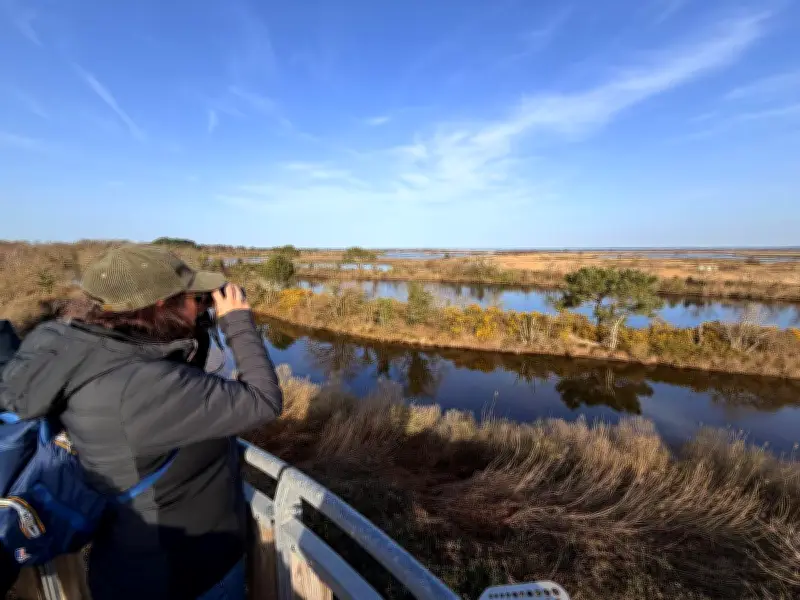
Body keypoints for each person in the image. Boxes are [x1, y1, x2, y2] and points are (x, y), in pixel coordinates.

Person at [0, 244, 283, 600]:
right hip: (184, 575)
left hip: (128, 564)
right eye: (194, 296)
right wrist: (237, 322)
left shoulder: (91, 350)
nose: (201, 303)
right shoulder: (140, 383)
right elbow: (263, 400)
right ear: (162, 303)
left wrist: (191, 332)